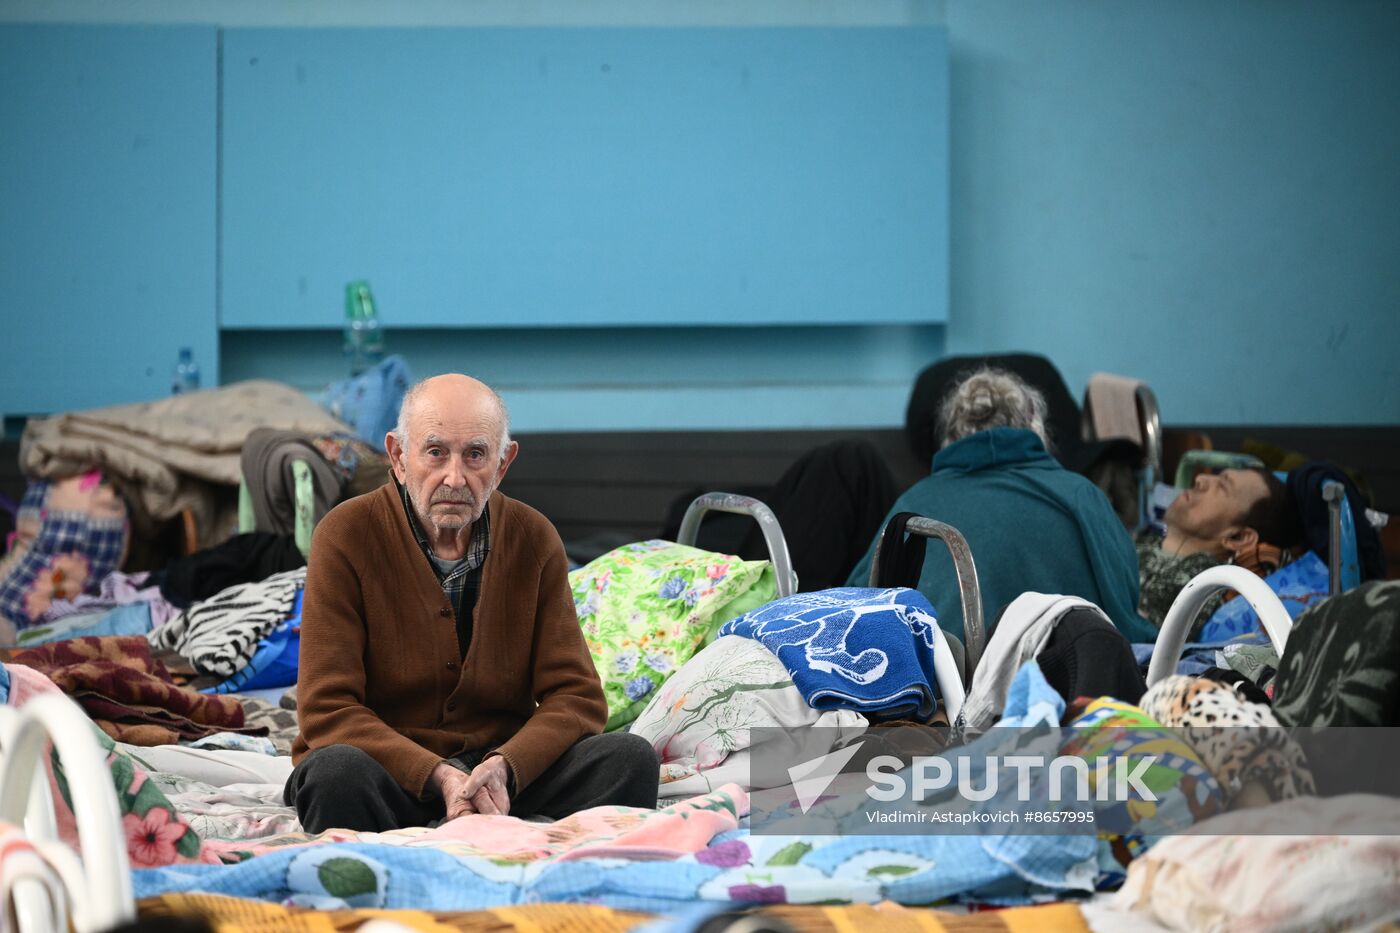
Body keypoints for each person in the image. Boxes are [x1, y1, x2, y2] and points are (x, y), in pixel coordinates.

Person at [285, 374, 658, 833]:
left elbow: (577, 698)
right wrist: (437, 775)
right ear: (399, 457)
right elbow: (328, 710)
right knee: (334, 775)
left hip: (499, 776)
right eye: (435, 452)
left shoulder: (533, 537)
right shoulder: (345, 535)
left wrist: (505, 766)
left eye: (476, 455)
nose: (455, 477)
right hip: (388, 772)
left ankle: (503, 830)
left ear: (503, 464)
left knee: (629, 759)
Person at [846, 368, 1145, 645]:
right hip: (1066, 683)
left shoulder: (912, 503)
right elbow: (1124, 599)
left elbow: (860, 602)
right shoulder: (1081, 495)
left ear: (950, 438)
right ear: (1035, 427)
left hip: (935, 692)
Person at [1136, 466, 1301, 635]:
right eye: (1216, 476)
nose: (1200, 479)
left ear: (1239, 537)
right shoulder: (1142, 540)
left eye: (1222, 487)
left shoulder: (1203, 584)